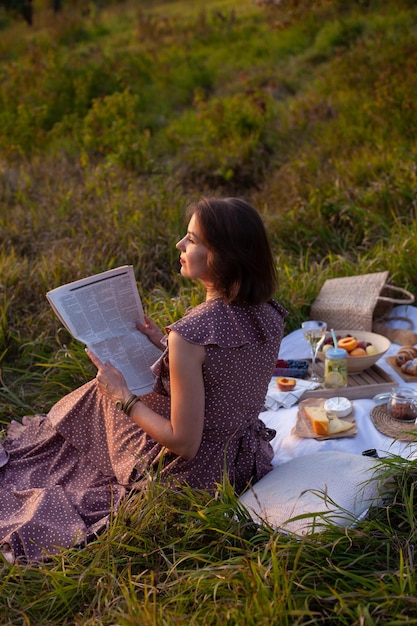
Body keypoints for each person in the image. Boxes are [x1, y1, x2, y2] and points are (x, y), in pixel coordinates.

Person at [0, 197, 287, 562]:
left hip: (194, 477)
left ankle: (51, 459)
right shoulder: (270, 311)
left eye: (192, 239)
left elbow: (184, 444)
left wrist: (124, 397)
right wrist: (163, 345)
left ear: (221, 256)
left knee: (101, 395)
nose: (180, 246)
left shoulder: (193, 334)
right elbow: (223, 369)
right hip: (244, 458)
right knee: (117, 391)